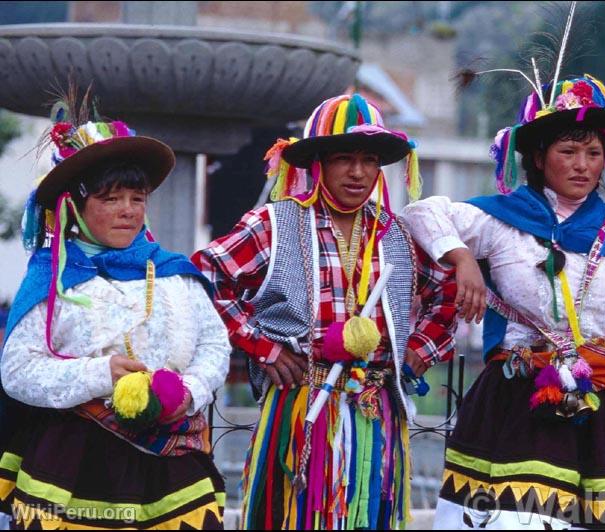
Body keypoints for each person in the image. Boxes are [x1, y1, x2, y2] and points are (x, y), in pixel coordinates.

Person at [401, 74, 605, 529]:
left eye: (594, 154)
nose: (582, 166)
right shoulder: (502, 222)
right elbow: (420, 212)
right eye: (568, 152)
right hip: (522, 400)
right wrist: (462, 258)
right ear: (538, 157)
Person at [192, 93, 458, 530]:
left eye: (369, 159)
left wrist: (416, 350)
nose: (358, 172)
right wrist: (266, 349)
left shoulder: (398, 234)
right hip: (299, 406)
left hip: (377, 409)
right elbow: (204, 278)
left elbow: (446, 291)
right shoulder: (274, 223)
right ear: (317, 162)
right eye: (343, 158)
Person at [0, 91, 231, 529]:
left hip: (170, 463)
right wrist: (100, 374)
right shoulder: (52, 281)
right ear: (76, 206)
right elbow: (17, 372)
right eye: (110, 199)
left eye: (136, 197)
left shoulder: (174, 274)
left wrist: (188, 392)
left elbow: (214, 346)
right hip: (75, 461)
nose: (128, 211)